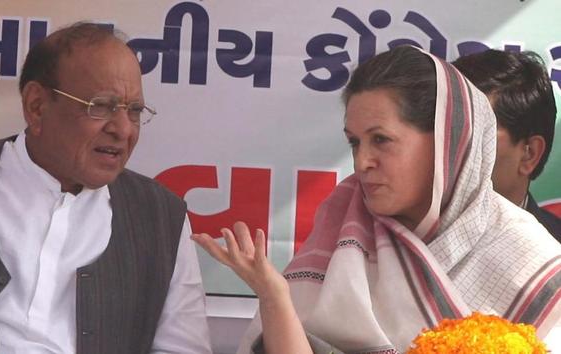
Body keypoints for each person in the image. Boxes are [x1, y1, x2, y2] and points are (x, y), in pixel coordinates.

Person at [192, 46, 561, 353]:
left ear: (445, 145)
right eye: (354, 142)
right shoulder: (340, 231)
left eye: (380, 139)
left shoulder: (533, 263)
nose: (361, 161)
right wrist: (274, 296)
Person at [0, 22, 211, 354]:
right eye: (101, 106)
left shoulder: (162, 218)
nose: (123, 130)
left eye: (134, 111)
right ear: (36, 106)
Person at [453, 50, 561, 241]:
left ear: (530, 154)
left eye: (472, 131)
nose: (448, 146)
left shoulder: (554, 252)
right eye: (441, 128)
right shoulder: (397, 241)